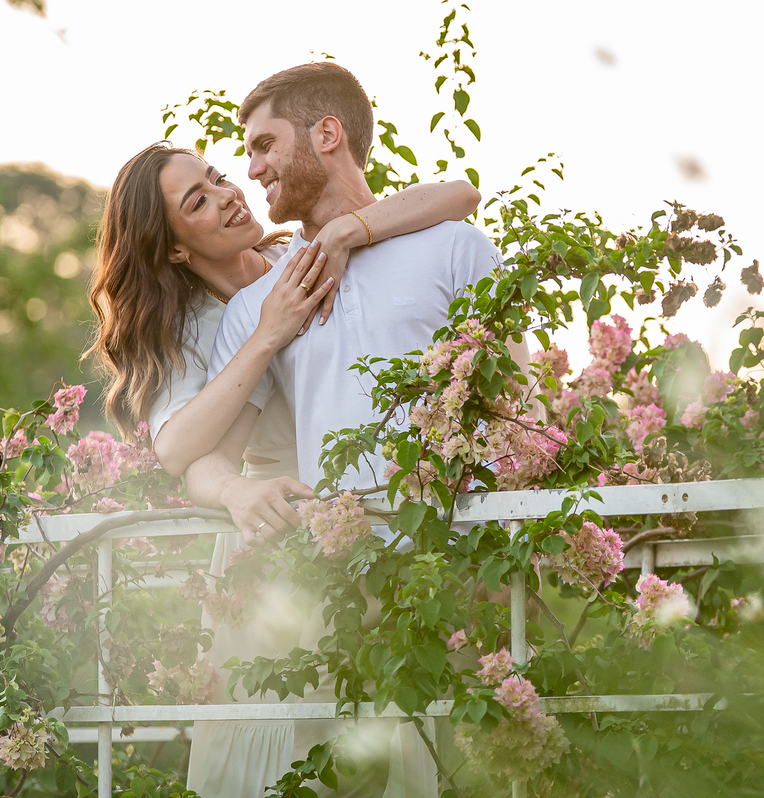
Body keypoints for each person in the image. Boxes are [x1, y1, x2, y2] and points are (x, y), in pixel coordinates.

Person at [87, 142, 480, 798]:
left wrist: (349, 231)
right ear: (174, 248)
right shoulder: (188, 330)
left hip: (374, 530)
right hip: (279, 544)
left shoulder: (298, 254)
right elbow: (181, 452)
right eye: (198, 201)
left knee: (388, 729)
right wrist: (269, 332)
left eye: (217, 178)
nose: (227, 195)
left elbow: (459, 195)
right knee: (289, 745)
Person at [187, 61, 517, 798]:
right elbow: (207, 459)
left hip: (457, 578)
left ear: (327, 133)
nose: (253, 168)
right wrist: (235, 492)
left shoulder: (455, 248)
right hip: (331, 600)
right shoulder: (259, 306)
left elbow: (520, 413)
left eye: (266, 144)